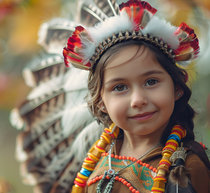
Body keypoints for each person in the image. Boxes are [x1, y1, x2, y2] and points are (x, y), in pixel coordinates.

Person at [62, 0, 210, 192]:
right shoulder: (97, 160)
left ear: (177, 88)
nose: (138, 100)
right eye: (120, 87)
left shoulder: (189, 166)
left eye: (151, 82)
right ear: (100, 102)